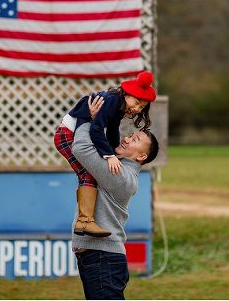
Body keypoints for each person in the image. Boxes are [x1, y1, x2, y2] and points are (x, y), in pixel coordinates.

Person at [54, 71, 156, 237]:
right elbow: (96, 129)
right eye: (136, 102)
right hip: (67, 134)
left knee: (87, 173)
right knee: (87, 173)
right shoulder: (111, 101)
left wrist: (114, 151)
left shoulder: (119, 106)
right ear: (127, 94)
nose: (137, 109)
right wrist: (109, 155)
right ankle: (85, 221)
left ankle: (83, 222)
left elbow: (113, 131)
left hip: (75, 134)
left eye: (141, 107)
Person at [71, 122, 159, 299]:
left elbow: (80, 148)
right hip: (99, 258)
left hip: (103, 259)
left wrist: (86, 118)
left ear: (141, 156)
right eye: (130, 135)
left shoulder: (120, 175)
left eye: (134, 140)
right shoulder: (116, 165)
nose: (127, 138)